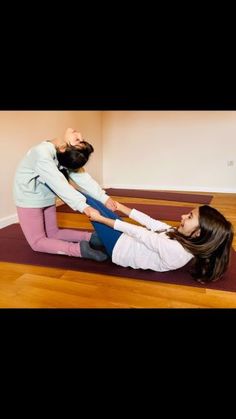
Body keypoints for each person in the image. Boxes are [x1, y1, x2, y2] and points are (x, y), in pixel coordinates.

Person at [13, 128, 116, 261]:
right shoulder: (55, 154)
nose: (79, 133)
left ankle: (79, 249)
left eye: (78, 140)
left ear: (63, 148)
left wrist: (103, 198)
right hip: (41, 198)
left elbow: (76, 179)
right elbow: (60, 183)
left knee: (37, 242)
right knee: (53, 233)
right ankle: (91, 238)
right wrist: (88, 204)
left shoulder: (45, 153)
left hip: (28, 199)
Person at [83, 195, 234, 283]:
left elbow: (140, 233)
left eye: (189, 217)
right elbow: (151, 222)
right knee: (94, 199)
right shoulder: (183, 236)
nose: (182, 216)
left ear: (198, 234)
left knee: (88, 202)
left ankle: (61, 184)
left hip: (120, 249)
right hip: (126, 240)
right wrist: (120, 206)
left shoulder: (177, 250)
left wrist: (100, 219)